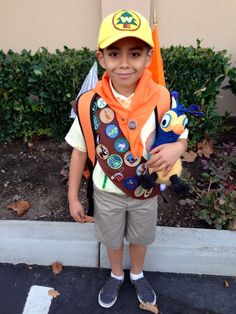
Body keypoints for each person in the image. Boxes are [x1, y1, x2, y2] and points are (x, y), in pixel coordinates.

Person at [65, 9, 188, 308]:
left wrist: (178, 148)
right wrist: (72, 197)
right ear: (101, 57)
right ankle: (117, 274)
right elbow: (79, 150)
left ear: (148, 57)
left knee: (140, 237)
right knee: (112, 238)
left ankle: (137, 272)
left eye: (134, 53)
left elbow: (180, 133)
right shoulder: (89, 104)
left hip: (145, 191)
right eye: (114, 53)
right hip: (107, 192)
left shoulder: (163, 98)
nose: (124, 63)